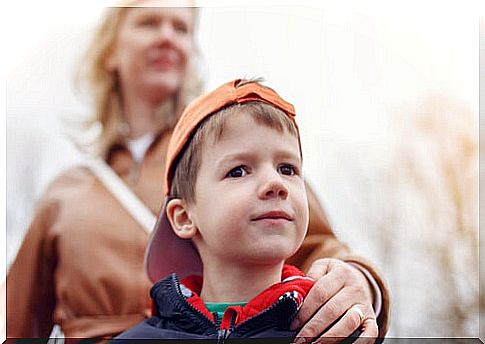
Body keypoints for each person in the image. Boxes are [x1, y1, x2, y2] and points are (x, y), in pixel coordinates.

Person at [6, 1, 389, 341]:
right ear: (110, 51)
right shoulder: (66, 192)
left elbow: (324, 249)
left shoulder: (230, 152)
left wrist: (361, 283)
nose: (167, 37)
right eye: (149, 23)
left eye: (181, 27)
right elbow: (14, 324)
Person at [114, 78, 377, 342]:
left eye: (287, 169)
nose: (276, 183)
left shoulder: (332, 331)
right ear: (183, 217)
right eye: (238, 171)